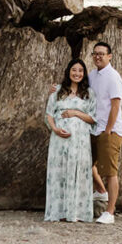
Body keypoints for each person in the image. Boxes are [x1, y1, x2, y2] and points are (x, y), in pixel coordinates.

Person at [43, 58, 97, 222]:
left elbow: (93, 118)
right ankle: (59, 211)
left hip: (80, 141)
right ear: (68, 72)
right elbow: (49, 114)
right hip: (59, 140)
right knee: (60, 172)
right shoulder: (58, 91)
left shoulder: (89, 93)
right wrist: (55, 128)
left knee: (78, 172)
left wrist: (75, 113)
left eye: (80, 71)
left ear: (84, 74)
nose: (77, 73)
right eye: (74, 70)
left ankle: (77, 212)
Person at [86, 40, 122, 223]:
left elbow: (115, 105)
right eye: (95, 53)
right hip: (93, 128)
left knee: (111, 172)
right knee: (87, 163)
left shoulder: (113, 77)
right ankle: (101, 191)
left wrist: (108, 130)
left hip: (110, 131)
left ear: (109, 56)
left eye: (102, 53)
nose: (98, 56)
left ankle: (110, 212)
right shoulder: (93, 75)